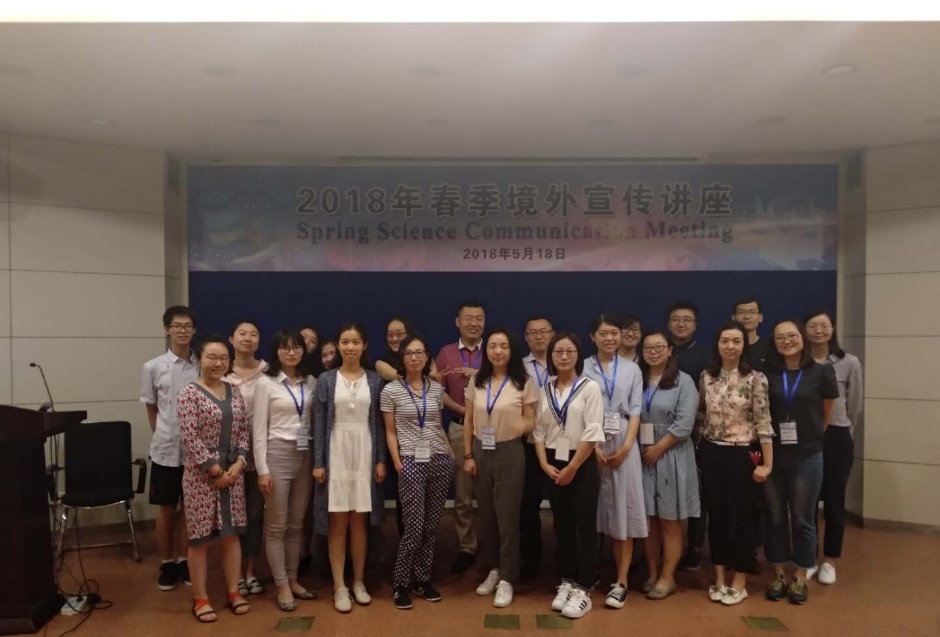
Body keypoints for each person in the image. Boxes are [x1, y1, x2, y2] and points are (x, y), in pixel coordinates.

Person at [763, 319, 838, 605]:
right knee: (775, 516)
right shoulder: (766, 374)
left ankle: (801, 577)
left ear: (802, 338)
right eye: (780, 337)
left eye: (792, 335)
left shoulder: (821, 372)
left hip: (807, 455)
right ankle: (779, 575)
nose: (787, 341)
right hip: (773, 455)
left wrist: (813, 436)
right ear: (774, 343)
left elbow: (826, 413)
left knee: (803, 517)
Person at [698, 322, 773, 606]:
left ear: (744, 346)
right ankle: (719, 578)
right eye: (725, 341)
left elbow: (763, 422)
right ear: (717, 345)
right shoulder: (706, 376)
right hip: (712, 452)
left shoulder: (756, 379)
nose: (730, 346)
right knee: (716, 517)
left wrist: (766, 464)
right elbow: (702, 416)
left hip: (743, 454)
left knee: (742, 518)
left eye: (736, 341)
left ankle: (739, 581)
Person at [312, 323, 387, 613]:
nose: (350, 347)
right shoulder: (326, 380)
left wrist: (380, 459)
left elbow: (379, 425)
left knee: (360, 521)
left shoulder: (375, 380)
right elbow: (319, 423)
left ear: (364, 345)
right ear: (338, 345)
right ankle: (339, 586)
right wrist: (319, 462)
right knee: (338, 521)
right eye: (345, 342)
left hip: (364, 451)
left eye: (356, 342)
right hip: (336, 452)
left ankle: (358, 581)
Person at [178, 334, 251, 622]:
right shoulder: (189, 393)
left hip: (233, 474)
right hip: (201, 476)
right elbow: (190, 437)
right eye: (211, 357)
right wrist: (215, 470)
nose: (218, 363)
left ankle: (233, 592)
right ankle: (201, 599)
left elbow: (243, 430)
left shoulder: (235, 391)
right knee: (199, 540)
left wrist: (240, 462)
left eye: (223, 358)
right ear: (199, 359)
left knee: (231, 536)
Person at [463, 328, 537, 609]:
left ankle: (507, 577)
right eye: (493, 346)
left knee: (507, 517)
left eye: (503, 346)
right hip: (481, 450)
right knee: (486, 516)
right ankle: (493, 568)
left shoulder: (523, 382)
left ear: (511, 350)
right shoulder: (477, 381)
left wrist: (520, 426)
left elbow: (531, 420)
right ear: (487, 351)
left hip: (510, 451)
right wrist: (468, 455)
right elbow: (468, 419)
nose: (497, 351)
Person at [534, 332, 604, 620]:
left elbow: (593, 432)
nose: (563, 356)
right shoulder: (545, 389)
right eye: (558, 351)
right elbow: (539, 431)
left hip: (581, 462)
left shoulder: (590, 388)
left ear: (578, 355)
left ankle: (584, 588)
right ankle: (566, 580)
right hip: (553, 462)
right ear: (551, 356)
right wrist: (543, 464)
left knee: (584, 526)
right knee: (562, 525)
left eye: (569, 351)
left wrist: (573, 468)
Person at [381, 335, 454, 610]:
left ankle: (423, 579)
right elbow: (390, 431)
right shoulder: (391, 391)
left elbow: (436, 424)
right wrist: (397, 461)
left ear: (427, 358)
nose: (414, 357)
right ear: (402, 358)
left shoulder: (436, 389)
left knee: (431, 527)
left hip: (439, 459)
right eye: (409, 353)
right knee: (413, 527)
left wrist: (450, 452)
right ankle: (401, 583)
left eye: (419, 353)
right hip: (410, 461)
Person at [582, 313, 647, 610]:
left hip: (623, 440)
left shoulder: (633, 369)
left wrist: (627, 446)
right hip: (589, 440)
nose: (610, 338)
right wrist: (593, 445)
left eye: (614, 333)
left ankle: (621, 581)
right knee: (590, 511)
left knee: (624, 511)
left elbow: (635, 410)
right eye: (603, 333)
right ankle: (587, 575)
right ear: (592, 336)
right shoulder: (584, 367)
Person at [253, 330, 318, 612]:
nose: (291, 352)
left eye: (296, 347)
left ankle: (293, 579)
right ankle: (280, 584)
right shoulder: (265, 383)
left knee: (296, 525)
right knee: (276, 527)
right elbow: (258, 429)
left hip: (305, 454)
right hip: (277, 454)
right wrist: (262, 469)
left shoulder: (311, 381)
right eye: (285, 347)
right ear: (276, 351)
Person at [140, 305, 200, 591]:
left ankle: (185, 559)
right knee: (166, 507)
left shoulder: (202, 365)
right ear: (167, 329)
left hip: (196, 452)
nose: (182, 330)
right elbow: (152, 409)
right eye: (177, 326)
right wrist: (165, 435)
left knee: (189, 508)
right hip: (165, 449)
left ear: (194, 330)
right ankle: (167, 562)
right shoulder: (152, 367)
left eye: (187, 326)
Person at [638, 330, 700, 600]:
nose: (653, 352)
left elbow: (685, 424)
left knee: (669, 519)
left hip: (671, 454)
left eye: (658, 347)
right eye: (648, 347)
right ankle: (652, 572)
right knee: (649, 520)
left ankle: (668, 576)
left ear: (670, 350)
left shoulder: (683, 381)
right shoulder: (637, 379)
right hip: (642, 455)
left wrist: (659, 448)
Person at [803, 309, 862, 586]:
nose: (818, 331)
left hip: (837, 435)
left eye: (823, 325)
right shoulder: (799, 362)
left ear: (832, 328)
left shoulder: (848, 362)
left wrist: (845, 430)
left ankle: (830, 560)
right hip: (805, 437)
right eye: (812, 326)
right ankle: (808, 558)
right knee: (807, 502)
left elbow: (854, 404)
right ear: (804, 330)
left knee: (835, 501)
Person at [434, 300, 486, 573]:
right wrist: (463, 411)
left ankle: (493, 544)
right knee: (463, 495)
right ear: (458, 322)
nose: (474, 323)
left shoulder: (494, 349)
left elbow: (505, 383)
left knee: (491, 492)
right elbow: (437, 391)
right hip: (457, 427)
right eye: (468, 318)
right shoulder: (446, 353)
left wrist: (479, 374)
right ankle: (467, 547)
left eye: (479, 318)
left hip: (490, 430)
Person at [224, 321, 268, 597]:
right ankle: (234, 573)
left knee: (254, 514)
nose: (248, 338)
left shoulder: (268, 372)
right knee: (232, 516)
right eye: (242, 333)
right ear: (231, 338)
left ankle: (250, 571)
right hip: (229, 458)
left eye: (254, 334)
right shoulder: (222, 373)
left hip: (260, 456)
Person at [667, 300, 709, 572]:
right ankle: (665, 545)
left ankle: (694, 546)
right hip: (660, 429)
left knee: (696, 489)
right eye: (676, 319)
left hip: (696, 431)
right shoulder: (659, 349)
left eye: (687, 319)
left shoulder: (706, 354)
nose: (681, 324)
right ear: (668, 323)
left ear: (695, 324)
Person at [520, 315, 555, 580]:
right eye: (533, 332)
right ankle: (531, 560)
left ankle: (565, 560)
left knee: (562, 503)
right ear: (526, 337)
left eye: (544, 331)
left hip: (559, 441)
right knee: (528, 503)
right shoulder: (518, 368)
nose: (539, 336)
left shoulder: (564, 362)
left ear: (552, 334)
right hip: (528, 442)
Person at [733, 298, 769, 371]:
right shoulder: (727, 347)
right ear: (733, 318)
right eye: (741, 312)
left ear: (760, 318)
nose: (747, 316)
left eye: (752, 312)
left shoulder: (769, 347)